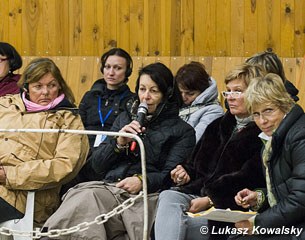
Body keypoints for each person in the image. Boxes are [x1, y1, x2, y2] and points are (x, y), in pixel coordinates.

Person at [41, 62, 196, 240]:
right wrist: (118, 143)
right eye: (142, 89)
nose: (146, 97)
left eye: (154, 91)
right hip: (111, 186)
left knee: (90, 203)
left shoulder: (183, 131)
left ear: (167, 94)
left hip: (147, 194)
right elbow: (96, 166)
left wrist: (141, 180)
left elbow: (170, 175)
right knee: (83, 196)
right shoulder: (124, 118)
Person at [154, 64, 267, 240]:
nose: (230, 97)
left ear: (255, 93)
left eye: (237, 91)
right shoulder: (217, 125)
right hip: (197, 190)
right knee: (168, 196)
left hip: (230, 206)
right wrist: (185, 172)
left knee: (179, 227)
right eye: (228, 91)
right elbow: (194, 163)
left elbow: (251, 179)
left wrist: (210, 200)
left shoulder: (262, 133)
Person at [0, 58, 89, 224]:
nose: (45, 92)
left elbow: (65, 165)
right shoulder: (5, 105)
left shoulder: (68, 119)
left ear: (59, 86)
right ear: (26, 87)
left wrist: (9, 175)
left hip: (28, 197)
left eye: (52, 85)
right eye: (38, 86)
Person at [233, 73, 305, 240]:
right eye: (256, 114)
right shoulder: (274, 137)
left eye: (268, 111)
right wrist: (259, 197)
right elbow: (286, 187)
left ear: (285, 105)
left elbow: (301, 199)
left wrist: (258, 223)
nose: (262, 121)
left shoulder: (300, 136)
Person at [79, 48, 136, 149]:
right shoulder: (90, 96)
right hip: (85, 149)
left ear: (127, 72)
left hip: (113, 150)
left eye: (117, 68)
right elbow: (78, 126)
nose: (111, 73)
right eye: (107, 67)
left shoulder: (131, 100)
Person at [176, 61, 224, 142]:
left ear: (203, 91)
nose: (183, 97)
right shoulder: (175, 104)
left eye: (190, 94)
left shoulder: (214, 111)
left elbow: (195, 141)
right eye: (180, 92)